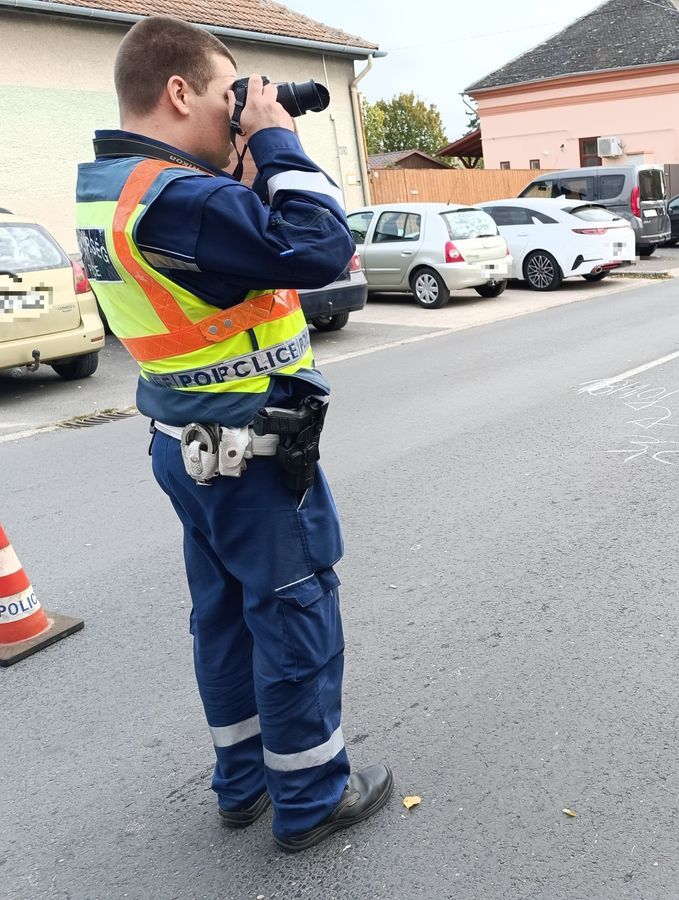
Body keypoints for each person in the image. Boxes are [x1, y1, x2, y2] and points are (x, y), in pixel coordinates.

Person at [75, 16, 392, 853]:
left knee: (224, 618)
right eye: (230, 97)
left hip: (185, 445)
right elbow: (321, 247)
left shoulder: (116, 187)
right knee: (294, 615)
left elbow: (220, 275)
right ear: (178, 93)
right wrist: (280, 146)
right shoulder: (183, 197)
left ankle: (244, 783)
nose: (243, 112)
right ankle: (312, 797)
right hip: (251, 453)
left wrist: (248, 163)